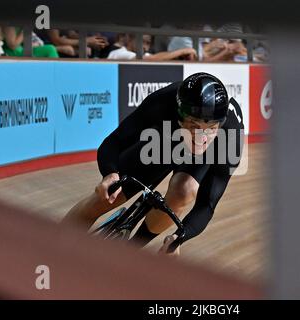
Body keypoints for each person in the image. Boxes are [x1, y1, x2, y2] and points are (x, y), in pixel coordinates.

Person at [61, 73, 245, 256]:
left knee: (185, 190)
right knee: (103, 199)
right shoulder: (164, 102)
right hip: (164, 140)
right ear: (180, 115)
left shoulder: (231, 136)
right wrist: (110, 174)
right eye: (194, 126)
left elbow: (207, 204)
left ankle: (131, 249)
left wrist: (180, 236)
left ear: (220, 125)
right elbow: (115, 141)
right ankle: (52, 246)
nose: (201, 137)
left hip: (204, 154)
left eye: (210, 129)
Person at [107, 33, 197, 61]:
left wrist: (180, 56)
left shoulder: (145, 54)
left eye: (148, 43)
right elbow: (150, 59)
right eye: (143, 42)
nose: (145, 47)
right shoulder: (119, 53)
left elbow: (160, 56)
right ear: (130, 39)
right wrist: (182, 51)